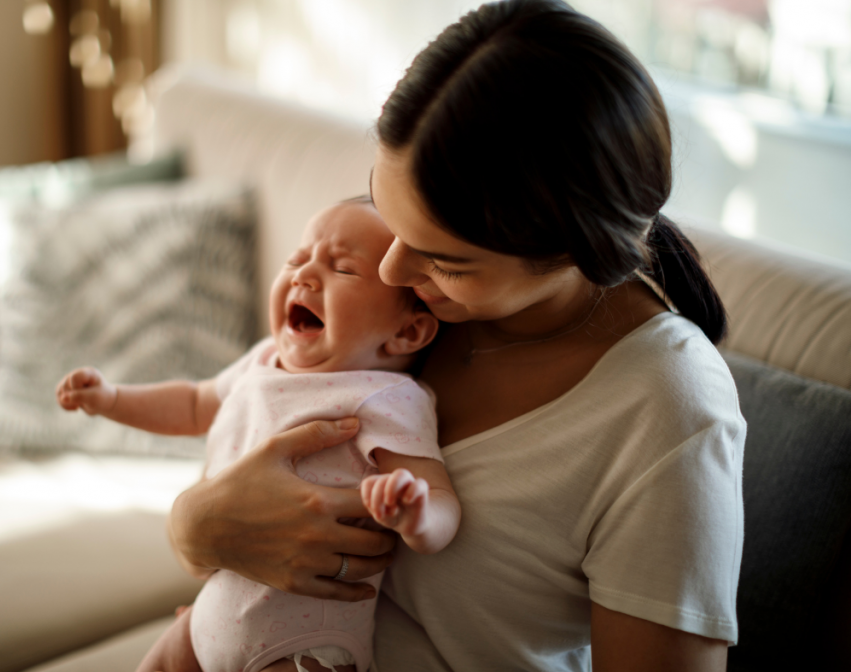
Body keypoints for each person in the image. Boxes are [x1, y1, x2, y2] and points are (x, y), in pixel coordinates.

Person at [164, 1, 746, 671]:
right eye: (389, 217)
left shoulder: (668, 414)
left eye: (445, 260)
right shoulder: (404, 306)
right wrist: (195, 528)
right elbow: (245, 431)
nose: (390, 270)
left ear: (573, 251)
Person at [56, 198, 461, 672]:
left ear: (408, 333)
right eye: (296, 259)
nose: (303, 275)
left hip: (301, 644)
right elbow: (192, 403)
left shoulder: (385, 396)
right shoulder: (264, 360)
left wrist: (416, 513)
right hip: (209, 615)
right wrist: (112, 399)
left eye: (342, 268)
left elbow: (442, 500)